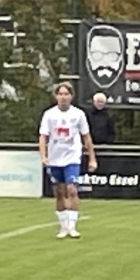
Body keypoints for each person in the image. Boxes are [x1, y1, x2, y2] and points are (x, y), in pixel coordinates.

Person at [39, 82, 97, 239]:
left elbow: (86, 137)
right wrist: (43, 156)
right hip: (55, 158)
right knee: (59, 192)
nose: (63, 97)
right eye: (60, 94)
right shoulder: (49, 114)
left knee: (71, 189)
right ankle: (63, 226)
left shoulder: (78, 114)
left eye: (66, 94)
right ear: (56, 96)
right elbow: (43, 136)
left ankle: (72, 226)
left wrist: (92, 158)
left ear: (71, 96)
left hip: (72, 157)